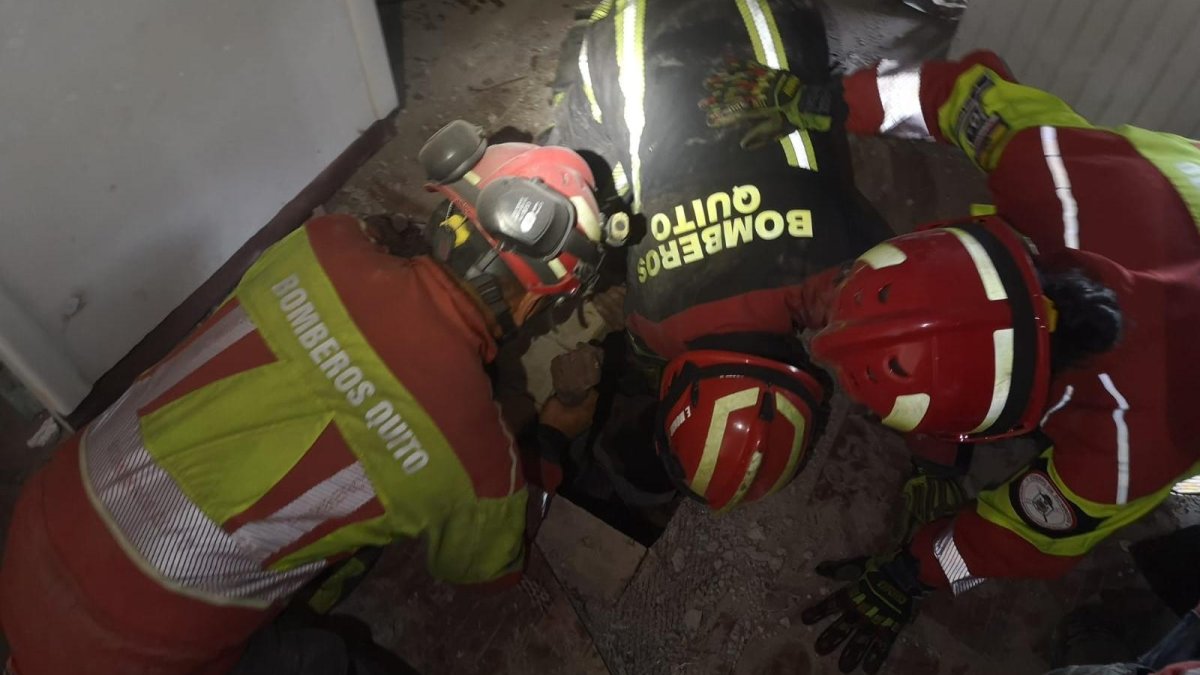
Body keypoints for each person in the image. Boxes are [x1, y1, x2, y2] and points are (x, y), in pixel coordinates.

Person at [0, 123, 611, 675]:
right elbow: (485, 574)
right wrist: (553, 438)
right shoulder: (476, 457)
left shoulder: (321, 242)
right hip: (130, 656)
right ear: (543, 302)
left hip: (37, 531)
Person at [702, 49, 1200, 672]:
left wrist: (916, 572)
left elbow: (1027, 537)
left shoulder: (1134, 448)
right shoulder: (1047, 165)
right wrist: (820, 101)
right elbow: (949, 93)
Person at [546, 0, 891, 511]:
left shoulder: (838, 272)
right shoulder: (651, 321)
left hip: (769, 19)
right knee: (583, 180)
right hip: (628, 31)